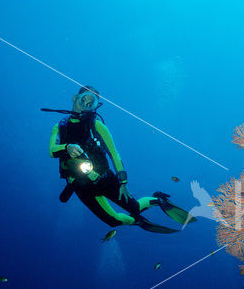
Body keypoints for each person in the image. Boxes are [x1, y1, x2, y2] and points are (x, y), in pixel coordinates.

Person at [46, 86, 194, 233]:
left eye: (92, 103)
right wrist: (67, 147)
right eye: (84, 99)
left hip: (104, 179)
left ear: (95, 106)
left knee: (134, 208)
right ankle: (137, 221)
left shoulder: (96, 125)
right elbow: (52, 151)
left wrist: (123, 181)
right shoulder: (59, 127)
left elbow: (113, 153)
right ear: (74, 98)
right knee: (113, 221)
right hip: (79, 185)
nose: (86, 104)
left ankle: (158, 199)